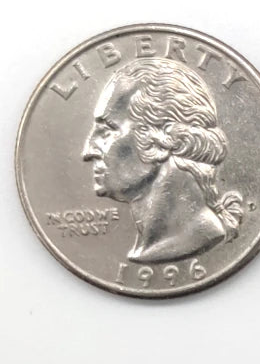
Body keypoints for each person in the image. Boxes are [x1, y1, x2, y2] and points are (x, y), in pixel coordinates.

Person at [82, 57, 243, 263]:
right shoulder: (151, 247)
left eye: (107, 131)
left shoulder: (195, 239)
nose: (88, 151)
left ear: (162, 139)